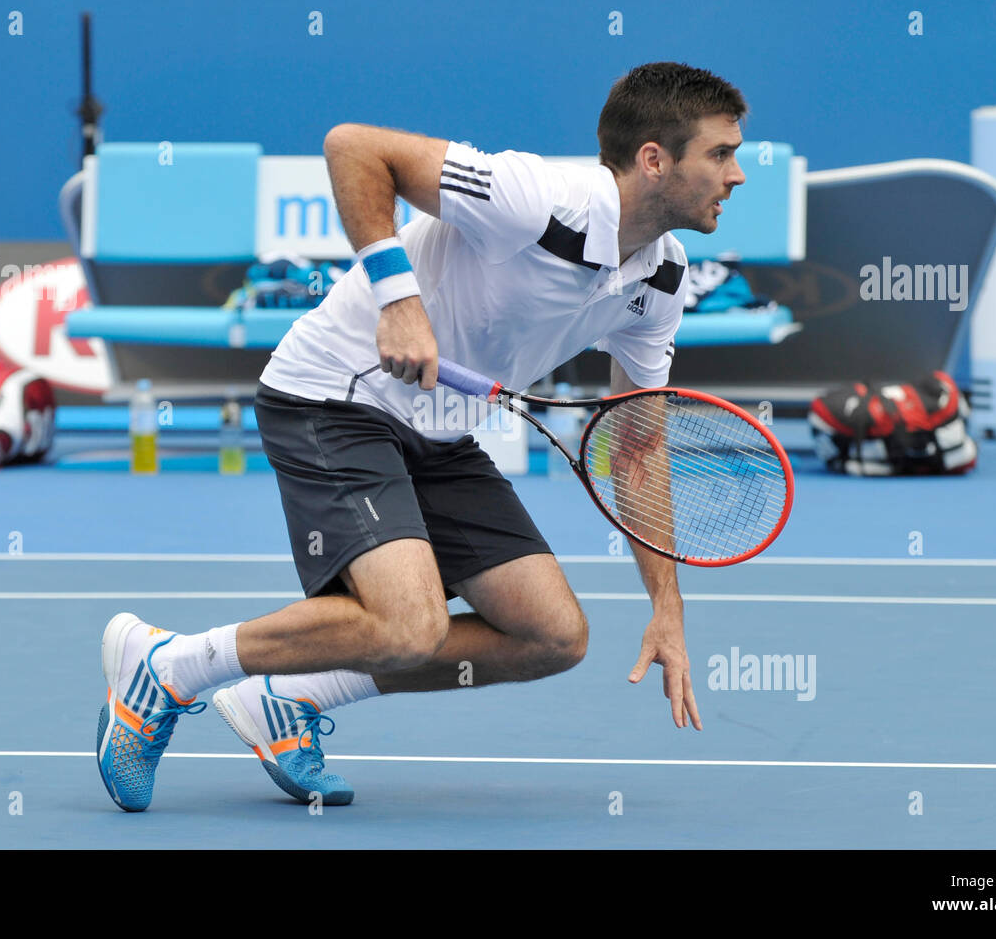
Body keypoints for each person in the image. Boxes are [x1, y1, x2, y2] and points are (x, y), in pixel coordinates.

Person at [96, 61, 748, 812]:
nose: (735, 176)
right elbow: (353, 146)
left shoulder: (661, 279)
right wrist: (398, 301)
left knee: (552, 635)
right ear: (654, 158)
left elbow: (634, 444)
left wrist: (666, 607)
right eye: (721, 154)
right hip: (337, 395)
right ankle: (168, 665)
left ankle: (288, 699)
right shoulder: (538, 198)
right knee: (409, 623)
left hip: (439, 430)